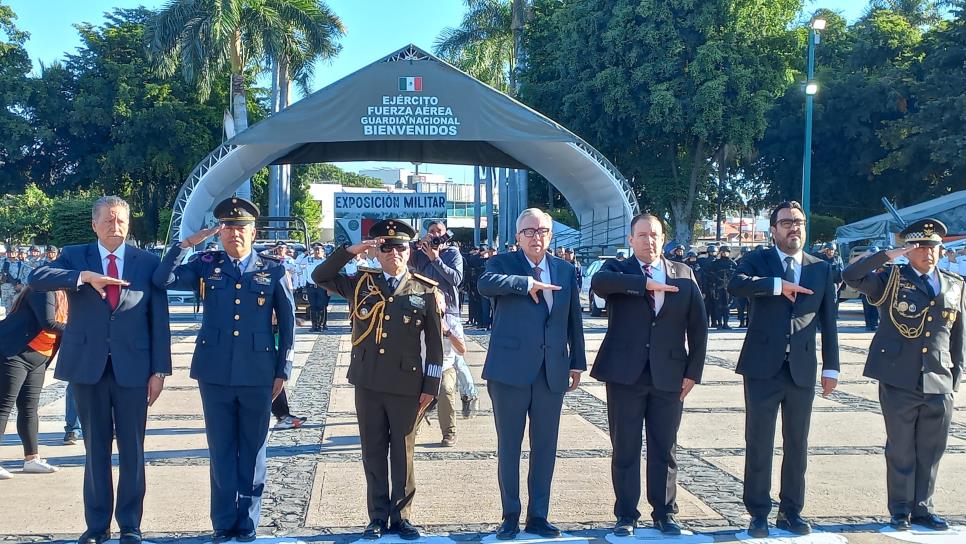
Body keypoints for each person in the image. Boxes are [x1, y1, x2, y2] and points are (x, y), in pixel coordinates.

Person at [29, 195, 171, 544]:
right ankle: (96, 526)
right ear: (94, 224)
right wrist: (82, 277)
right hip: (88, 367)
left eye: (121, 220)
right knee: (95, 448)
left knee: (132, 450)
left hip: (134, 370)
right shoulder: (75, 256)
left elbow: (159, 320)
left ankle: (130, 525)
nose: (115, 226)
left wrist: (160, 371)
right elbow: (37, 276)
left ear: (129, 224)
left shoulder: (146, 262)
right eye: (108, 220)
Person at [154, 197, 294, 543]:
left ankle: (247, 522)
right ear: (219, 232)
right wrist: (186, 244)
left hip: (259, 372)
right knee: (220, 448)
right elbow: (162, 279)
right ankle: (222, 522)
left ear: (253, 231)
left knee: (253, 449)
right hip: (214, 371)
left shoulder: (273, 268)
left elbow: (288, 325)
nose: (234, 233)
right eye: (227, 227)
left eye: (240, 227)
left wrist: (283, 370)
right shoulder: (206, 264)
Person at [313, 219, 443, 541]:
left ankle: (402, 516)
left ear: (409, 250)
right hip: (368, 382)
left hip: (406, 386)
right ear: (377, 251)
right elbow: (320, 276)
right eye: (386, 247)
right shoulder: (360, 283)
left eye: (400, 247)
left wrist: (431, 388)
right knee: (372, 452)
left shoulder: (423, 289)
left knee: (403, 453)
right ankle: (376, 516)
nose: (393, 253)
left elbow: (435, 348)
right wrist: (351, 251)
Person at [727, 201, 839, 538]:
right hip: (762, 367)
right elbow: (737, 284)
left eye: (800, 222)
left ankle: (791, 510)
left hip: (802, 367)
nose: (795, 228)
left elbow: (829, 322)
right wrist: (777, 285)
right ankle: (758, 512)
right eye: (787, 222)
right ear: (773, 229)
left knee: (798, 443)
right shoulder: (757, 260)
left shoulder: (820, 267)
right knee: (759, 441)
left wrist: (832, 366)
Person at [842, 219, 963, 532]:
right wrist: (887, 255)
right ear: (908, 250)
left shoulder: (954, 283)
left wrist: (955, 378)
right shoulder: (891, 278)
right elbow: (851, 275)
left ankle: (923, 508)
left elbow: (958, 338)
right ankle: (900, 510)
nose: (928, 252)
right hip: (899, 376)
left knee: (932, 449)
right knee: (901, 448)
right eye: (920, 246)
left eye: (933, 246)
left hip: (938, 378)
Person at [590, 214, 707, 536]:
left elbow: (698, 327)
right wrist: (644, 283)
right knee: (625, 447)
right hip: (625, 375)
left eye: (654, 235)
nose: (649, 241)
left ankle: (665, 511)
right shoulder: (617, 271)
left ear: (663, 238)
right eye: (641, 235)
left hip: (670, 374)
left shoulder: (684, 274)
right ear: (631, 240)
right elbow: (600, 285)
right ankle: (626, 513)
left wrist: (693, 372)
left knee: (664, 447)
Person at [477, 208, 586, 539]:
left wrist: (576, 361)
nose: (536, 237)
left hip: (551, 371)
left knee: (545, 447)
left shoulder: (566, 270)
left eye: (542, 231)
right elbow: (485, 284)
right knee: (509, 446)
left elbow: (573, 319)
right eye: (529, 231)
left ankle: (539, 515)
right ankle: (510, 513)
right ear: (517, 236)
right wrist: (526, 284)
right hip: (509, 372)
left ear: (550, 235)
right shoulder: (503, 264)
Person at [0, 286, 68, 479]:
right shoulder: (43, 289)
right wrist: (82, 331)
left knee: (30, 408)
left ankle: (32, 459)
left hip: (39, 358)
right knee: (4, 407)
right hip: (14, 354)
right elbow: (49, 323)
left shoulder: (71, 295)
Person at [300, 243, 331, 331]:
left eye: (319, 250)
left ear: (323, 252)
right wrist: (305, 253)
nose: (317, 252)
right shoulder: (309, 259)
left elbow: (330, 274)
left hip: (322, 286)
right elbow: (298, 262)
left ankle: (321, 325)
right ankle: (314, 325)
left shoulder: (325, 261)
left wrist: (329, 288)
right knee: (313, 306)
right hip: (311, 286)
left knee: (321, 306)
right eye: (315, 250)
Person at [705, 245, 737, 329]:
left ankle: (726, 323)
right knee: (718, 306)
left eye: (726, 252)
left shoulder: (732, 263)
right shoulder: (715, 263)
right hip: (718, 288)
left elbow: (737, 274)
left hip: (728, 288)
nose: (724, 254)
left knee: (727, 306)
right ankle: (719, 323)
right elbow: (709, 274)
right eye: (723, 252)